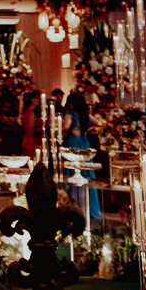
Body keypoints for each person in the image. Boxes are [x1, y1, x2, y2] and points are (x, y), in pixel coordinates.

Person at [63, 93, 101, 223]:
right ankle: (89, 207)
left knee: (73, 171)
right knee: (85, 171)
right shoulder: (85, 115)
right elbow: (99, 123)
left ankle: (75, 204)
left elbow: (65, 127)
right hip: (84, 142)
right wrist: (87, 128)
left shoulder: (70, 114)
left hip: (73, 142)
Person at [20, 91, 42, 158]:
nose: (38, 100)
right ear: (32, 99)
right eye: (36, 98)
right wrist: (43, 128)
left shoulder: (30, 111)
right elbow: (31, 129)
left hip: (31, 139)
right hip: (32, 141)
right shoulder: (31, 112)